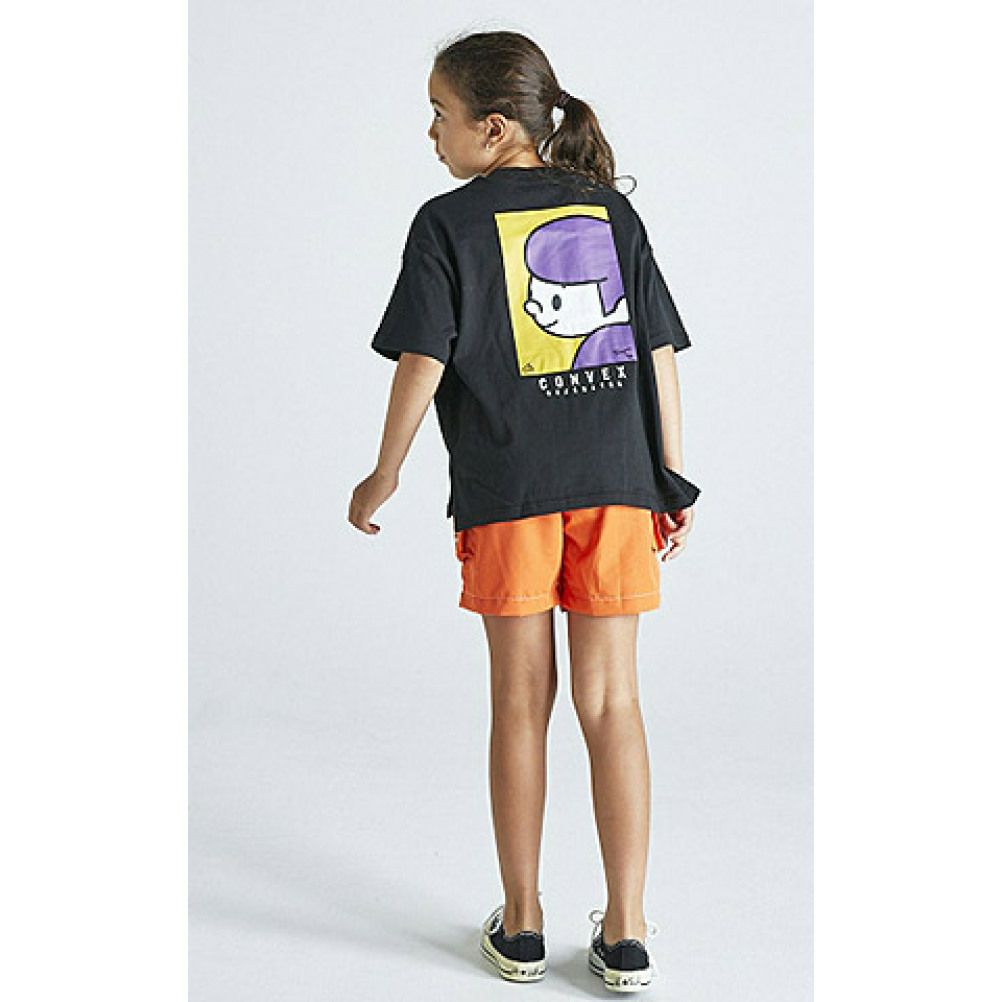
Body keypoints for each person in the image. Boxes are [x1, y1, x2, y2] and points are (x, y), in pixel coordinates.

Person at [348, 29, 700, 994]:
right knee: (613, 702)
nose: (431, 132)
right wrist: (671, 478)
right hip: (619, 487)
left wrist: (383, 474)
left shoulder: (446, 222)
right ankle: (625, 932)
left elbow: (422, 359)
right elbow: (659, 353)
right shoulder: (610, 212)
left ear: (494, 127)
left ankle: (525, 923)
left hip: (507, 494)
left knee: (519, 701)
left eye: (440, 114)